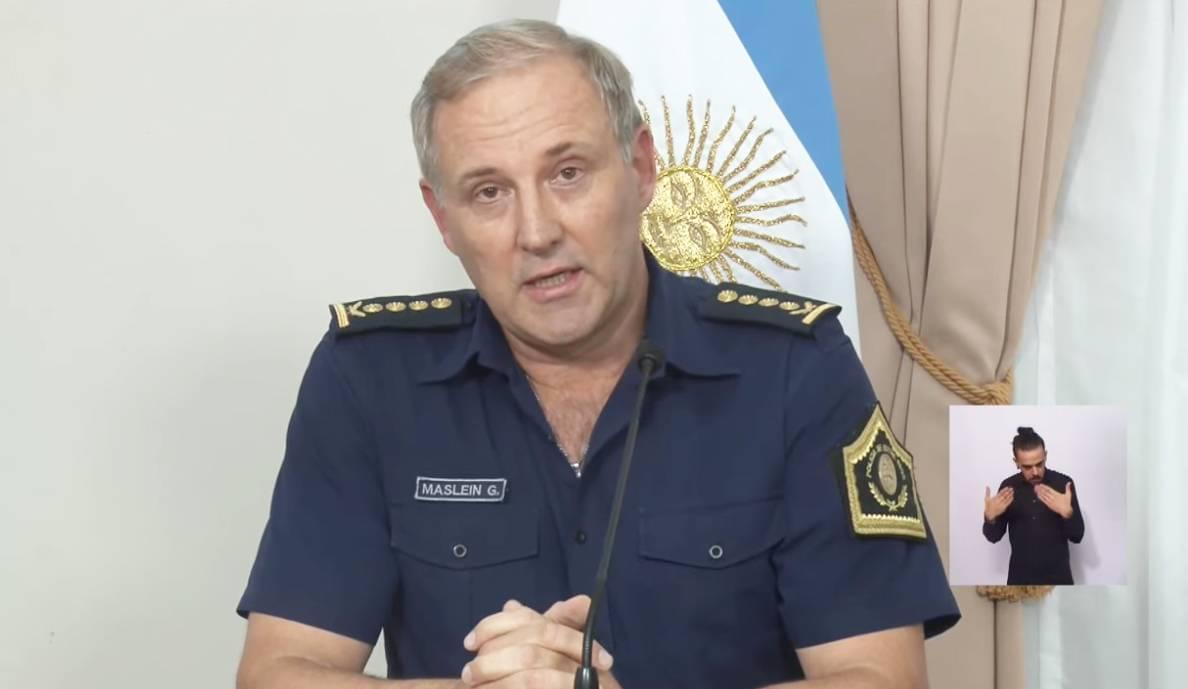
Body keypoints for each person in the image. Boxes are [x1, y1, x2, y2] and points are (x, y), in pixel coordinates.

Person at [234, 19, 959, 689]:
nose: (537, 231)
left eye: (568, 173)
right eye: (488, 192)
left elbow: (881, 678)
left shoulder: (795, 369)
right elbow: (278, 673)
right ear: (443, 218)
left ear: (641, 169)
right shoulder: (369, 379)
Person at [982, 426, 1085, 585]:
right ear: (1016, 463)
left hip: (1059, 579)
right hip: (1019, 581)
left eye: (1039, 464)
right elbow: (993, 537)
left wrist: (1068, 514)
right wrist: (989, 517)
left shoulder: (1063, 484)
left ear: (1046, 456)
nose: (1035, 472)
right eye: (1027, 467)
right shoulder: (1008, 487)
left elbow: (1077, 536)